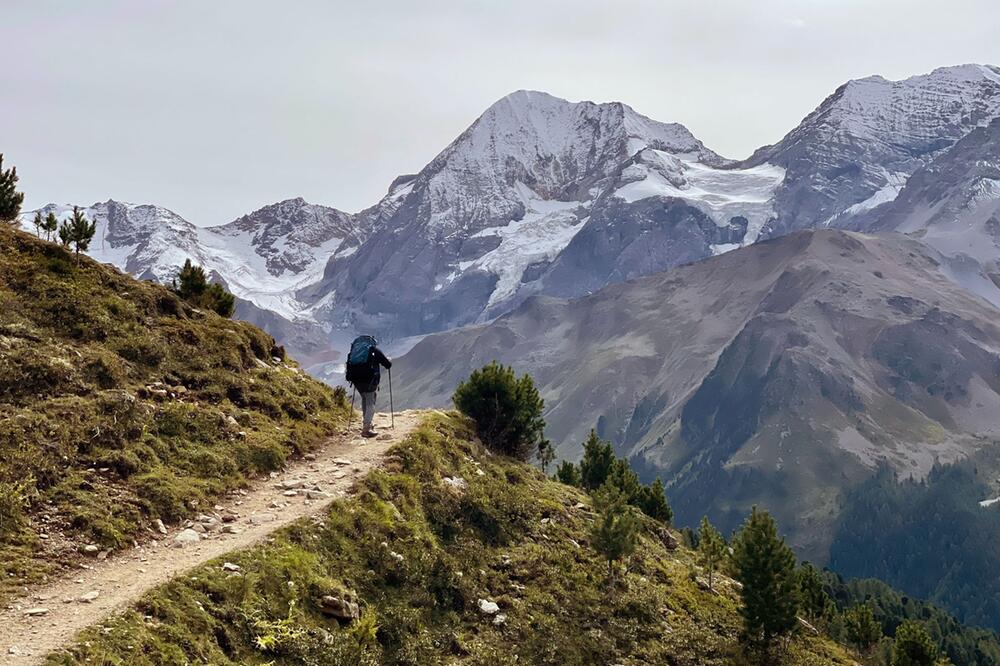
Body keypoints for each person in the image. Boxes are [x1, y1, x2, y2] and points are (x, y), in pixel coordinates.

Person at [345, 335, 392, 438]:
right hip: (370, 381)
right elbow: (387, 364)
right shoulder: (374, 350)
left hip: (356, 381)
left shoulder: (353, 353)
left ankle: (367, 423)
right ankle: (366, 428)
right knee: (371, 402)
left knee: (364, 399)